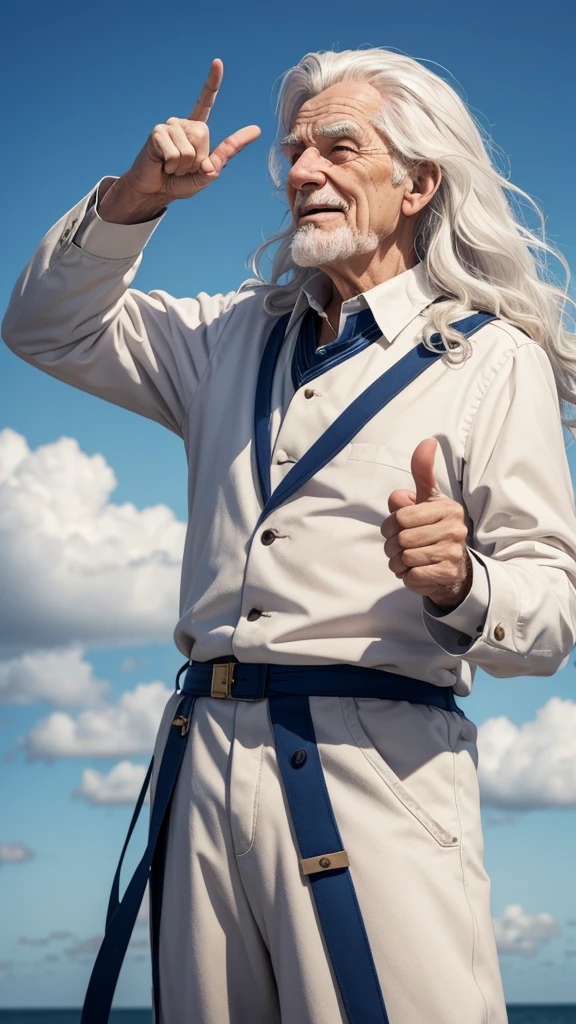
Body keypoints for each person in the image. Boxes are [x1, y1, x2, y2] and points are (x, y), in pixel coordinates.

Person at [3, 47, 576, 1024]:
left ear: (418, 182)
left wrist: (460, 584)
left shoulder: (492, 363)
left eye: (339, 147)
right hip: (204, 758)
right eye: (295, 151)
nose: (303, 170)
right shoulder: (225, 335)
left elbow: (552, 613)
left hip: (379, 767)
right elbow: (45, 326)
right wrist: (134, 202)